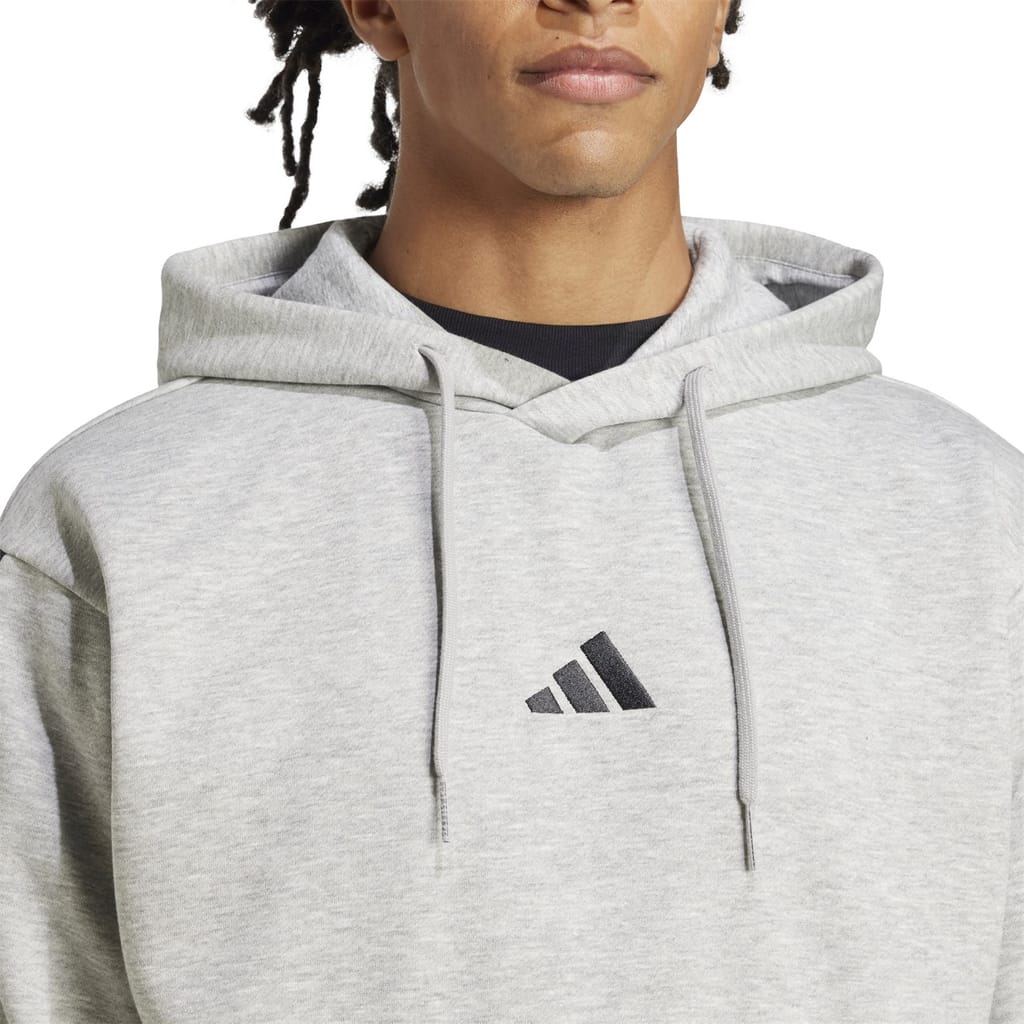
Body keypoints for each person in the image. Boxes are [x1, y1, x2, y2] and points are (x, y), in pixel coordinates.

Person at [0, 0, 1020, 1020]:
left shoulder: (970, 518)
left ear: (719, 13)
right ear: (376, 6)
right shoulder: (127, 519)